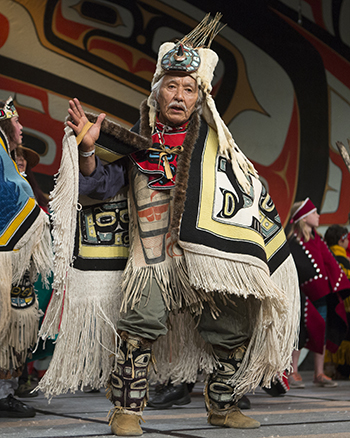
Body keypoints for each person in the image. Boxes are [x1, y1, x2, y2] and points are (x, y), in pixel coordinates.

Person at [39, 14, 300, 436]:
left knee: (232, 326)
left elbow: (248, 198)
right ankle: (126, 411)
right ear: (157, 93)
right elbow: (98, 187)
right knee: (138, 326)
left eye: (188, 88)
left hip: (208, 257)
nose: (179, 95)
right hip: (153, 257)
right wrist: (88, 152)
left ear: (200, 98)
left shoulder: (219, 154)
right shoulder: (136, 145)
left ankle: (223, 405)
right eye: (171, 86)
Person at [0, 97, 52, 417]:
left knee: (10, 324)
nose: (21, 128)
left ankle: (6, 390)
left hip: (11, 260)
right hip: (5, 257)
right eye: (16, 122)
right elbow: (11, 198)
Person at [287, 199, 350, 389]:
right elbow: (296, 268)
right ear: (304, 218)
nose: (318, 216)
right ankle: (293, 371)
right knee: (298, 331)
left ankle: (319, 373)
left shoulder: (318, 239)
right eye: (314, 213)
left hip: (321, 295)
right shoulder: (292, 242)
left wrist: (339, 284)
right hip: (301, 295)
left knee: (321, 330)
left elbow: (329, 263)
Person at [324, 224, 350, 379]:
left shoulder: (326, 258)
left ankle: (330, 368)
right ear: (342, 239)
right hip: (346, 305)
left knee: (332, 334)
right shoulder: (345, 261)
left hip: (329, 303)